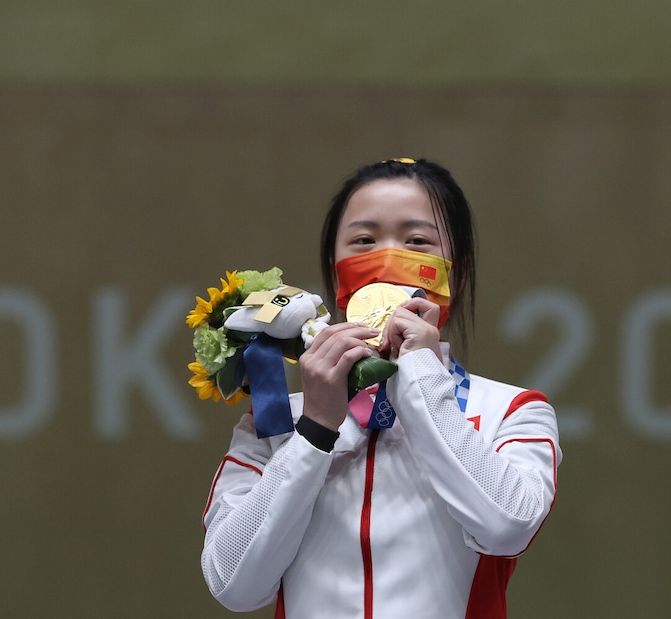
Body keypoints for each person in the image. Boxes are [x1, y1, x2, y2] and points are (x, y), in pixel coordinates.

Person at [201, 158, 562, 618]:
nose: (387, 263)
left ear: (459, 273)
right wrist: (314, 430)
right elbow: (233, 585)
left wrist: (421, 377)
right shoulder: (274, 421)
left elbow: (508, 527)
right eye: (364, 241)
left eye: (416, 241)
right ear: (335, 275)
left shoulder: (511, 411)